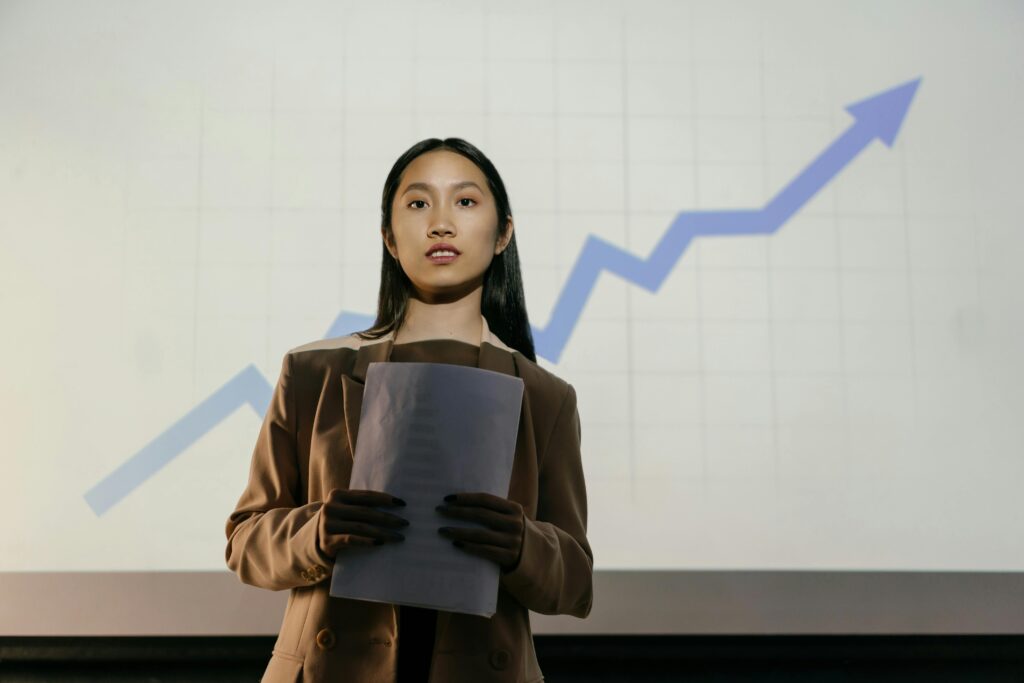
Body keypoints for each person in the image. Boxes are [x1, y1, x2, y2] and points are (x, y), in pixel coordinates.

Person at [225, 137, 593, 682]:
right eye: (418, 203)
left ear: (503, 234)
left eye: (465, 202)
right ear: (389, 238)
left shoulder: (545, 396)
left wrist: (524, 545)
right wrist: (317, 531)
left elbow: (577, 583)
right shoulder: (311, 373)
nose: (441, 224)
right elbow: (245, 541)